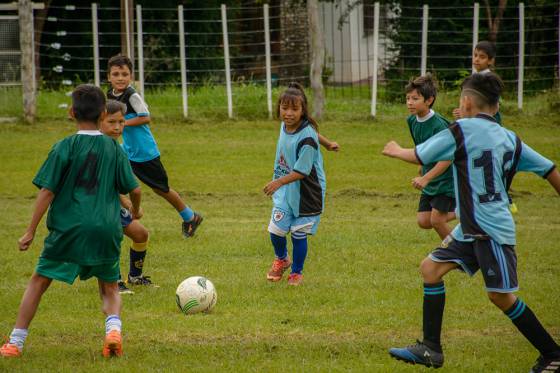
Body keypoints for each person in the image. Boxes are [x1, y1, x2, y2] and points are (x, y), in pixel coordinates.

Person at [382, 73, 560, 372]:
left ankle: (553, 354)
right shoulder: (509, 137)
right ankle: (430, 349)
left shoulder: (459, 130)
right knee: (431, 268)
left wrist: (396, 150)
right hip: (471, 227)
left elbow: (420, 155)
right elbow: (549, 169)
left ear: (465, 103)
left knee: (501, 297)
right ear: (497, 104)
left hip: (490, 231)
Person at [0, 85, 141, 358]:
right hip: (106, 229)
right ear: (103, 113)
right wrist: (135, 210)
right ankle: (113, 330)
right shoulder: (114, 149)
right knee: (110, 286)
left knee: (39, 281)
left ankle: (15, 343)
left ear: (71, 112)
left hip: (69, 228)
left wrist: (30, 230)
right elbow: (133, 189)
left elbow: (47, 191)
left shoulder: (64, 147)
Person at [106, 54, 203, 239]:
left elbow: (145, 117)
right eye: (116, 74)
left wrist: (122, 123)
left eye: (124, 74)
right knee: (109, 176)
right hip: (126, 148)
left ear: (131, 77)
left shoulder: (132, 96)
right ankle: (126, 212)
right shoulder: (110, 95)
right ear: (108, 77)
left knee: (161, 189)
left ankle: (190, 217)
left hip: (144, 152)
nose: (120, 78)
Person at [263, 82, 337, 286]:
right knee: (276, 230)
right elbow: (315, 131)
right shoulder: (286, 125)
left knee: (298, 234)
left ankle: (296, 272)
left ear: (303, 111)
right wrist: (328, 143)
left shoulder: (307, 140)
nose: (288, 113)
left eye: (294, 109)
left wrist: (277, 182)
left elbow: (302, 171)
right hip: (286, 187)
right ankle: (282, 259)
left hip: (307, 191)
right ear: (279, 107)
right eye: (284, 108)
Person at [453, 41, 517, 214]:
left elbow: (489, 108)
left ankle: (501, 198)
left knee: (488, 165)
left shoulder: (489, 81)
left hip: (488, 128)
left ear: (491, 61)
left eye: (482, 57)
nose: (476, 60)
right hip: (477, 126)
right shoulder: (475, 79)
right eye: (475, 55)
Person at [101, 100, 152, 292]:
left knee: (140, 234)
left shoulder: (117, 148)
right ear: (99, 121)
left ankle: (135, 277)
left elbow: (112, 184)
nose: (117, 127)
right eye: (111, 122)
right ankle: (114, 282)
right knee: (112, 237)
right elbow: (135, 188)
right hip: (97, 207)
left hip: (112, 203)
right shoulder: (98, 148)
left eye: (121, 122)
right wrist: (135, 209)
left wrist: (124, 202)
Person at [402, 74, 455, 240]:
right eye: (408, 98)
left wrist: (426, 177)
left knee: (437, 220)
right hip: (431, 177)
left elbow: (448, 157)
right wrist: (422, 164)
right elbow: (422, 147)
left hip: (447, 179)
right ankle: (466, 210)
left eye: (415, 98)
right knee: (424, 221)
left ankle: (458, 251)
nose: (410, 102)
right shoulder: (412, 120)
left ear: (429, 100)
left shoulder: (439, 125)